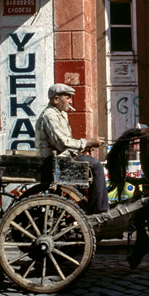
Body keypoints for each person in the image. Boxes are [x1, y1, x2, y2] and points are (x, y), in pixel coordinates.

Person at [35, 84, 110, 214]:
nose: (70, 101)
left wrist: (85, 146)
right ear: (56, 99)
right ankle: (100, 209)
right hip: (55, 161)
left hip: (60, 158)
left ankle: (96, 204)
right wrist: (87, 142)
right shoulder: (50, 116)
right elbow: (62, 143)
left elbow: (65, 143)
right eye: (67, 97)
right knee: (96, 165)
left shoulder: (60, 114)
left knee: (93, 163)